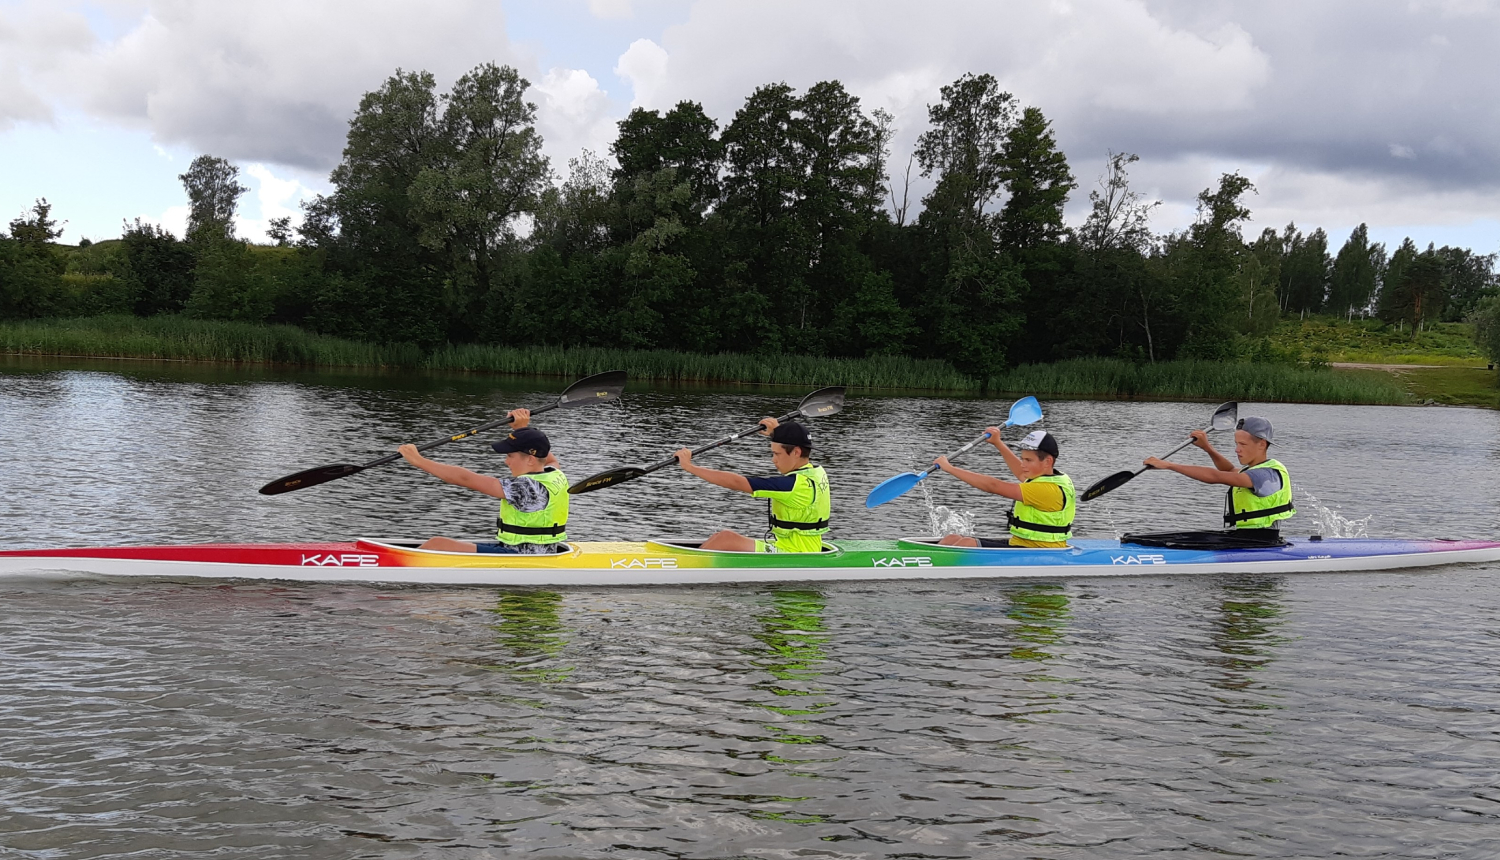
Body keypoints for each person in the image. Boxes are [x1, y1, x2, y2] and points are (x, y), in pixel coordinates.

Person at [397, 409, 569, 553]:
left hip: (521, 556)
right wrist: (521, 430)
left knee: (437, 544)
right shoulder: (554, 473)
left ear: (531, 459)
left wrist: (418, 461)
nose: (506, 461)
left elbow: (465, 478)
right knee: (438, 544)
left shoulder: (526, 489)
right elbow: (548, 458)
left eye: (510, 456)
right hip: (538, 550)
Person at [673, 420, 830, 553]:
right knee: (718, 537)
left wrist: (690, 467)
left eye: (777, 454)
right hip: (805, 546)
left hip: (794, 552)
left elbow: (737, 482)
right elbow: (791, 446)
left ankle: (684, 567)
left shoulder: (793, 485)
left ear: (796, 452)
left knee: (725, 539)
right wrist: (778, 432)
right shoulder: (815, 472)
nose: (773, 460)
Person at [1143, 415, 1294, 534]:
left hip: (1262, 541)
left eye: (1243, 444)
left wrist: (1169, 465)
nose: (1237, 450)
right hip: (1242, 536)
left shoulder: (1266, 475)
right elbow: (1228, 470)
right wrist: (1207, 447)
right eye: (1236, 444)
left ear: (1261, 444)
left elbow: (1217, 476)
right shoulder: (1251, 471)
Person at [934, 429, 1075, 548]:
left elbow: (993, 486)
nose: (1022, 464)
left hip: (1040, 549)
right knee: (951, 539)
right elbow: (1020, 473)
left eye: (1028, 460)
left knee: (967, 543)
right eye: (1022, 458)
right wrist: (998, 443)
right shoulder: (1046, 476)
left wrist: (950, 468)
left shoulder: (1047, 490)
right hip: (1021, 544)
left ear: (1048, 461)